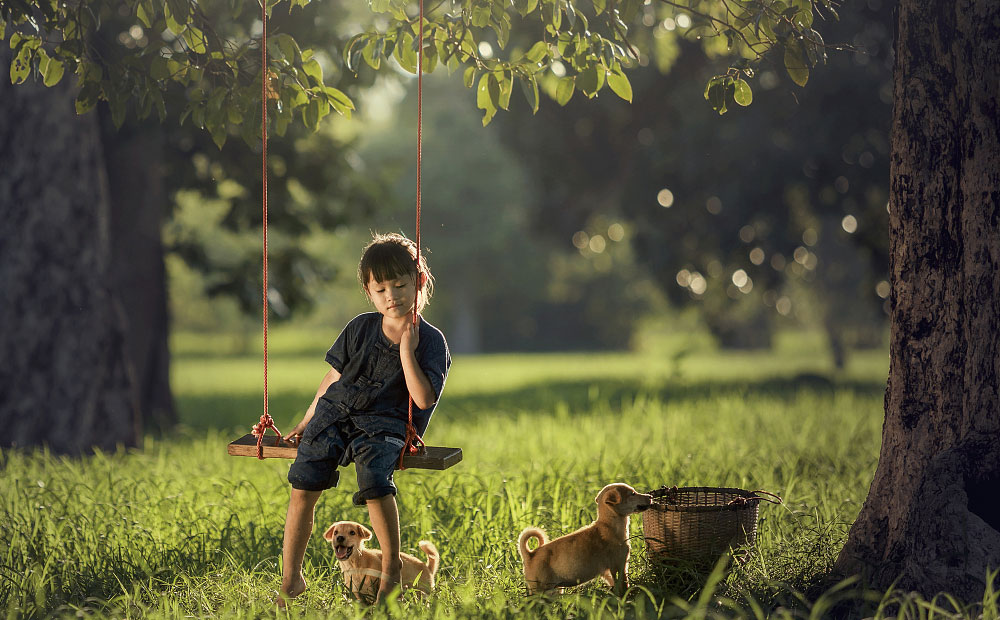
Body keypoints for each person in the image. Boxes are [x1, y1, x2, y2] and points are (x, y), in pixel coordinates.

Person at [276, 232, 451, 605]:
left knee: (373, 478)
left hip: (387, 424)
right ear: (369, 292)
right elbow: (332, 380)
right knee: (304, 481)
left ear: (419, 281)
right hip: (336, 414)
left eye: (400, 285)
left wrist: (407, 350)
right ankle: (292, 579)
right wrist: (307, 422)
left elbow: (422, 397)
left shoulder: (431, 341)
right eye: (380, 289)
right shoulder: (359, 328)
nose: (392, 296)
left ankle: (389, 574)